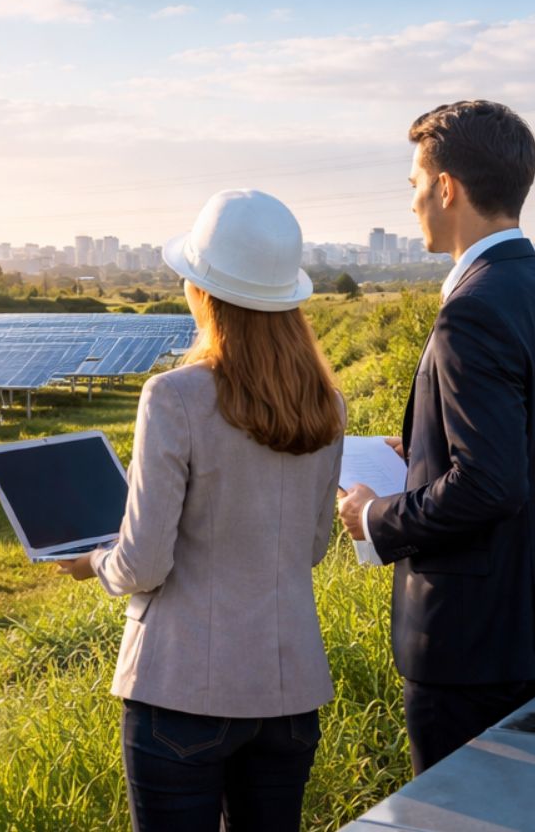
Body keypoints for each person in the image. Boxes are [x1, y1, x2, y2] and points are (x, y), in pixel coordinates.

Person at [56, 189, 345, 832]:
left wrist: (97, 562)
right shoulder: (327, 402)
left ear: (202, 292)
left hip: (183, 692)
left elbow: (145, 562)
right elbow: (313, 545)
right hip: (291, 693)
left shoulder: (174, 396)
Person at [336, 99, 535, 775]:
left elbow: (490, 483)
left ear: (447, 187)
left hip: (475, 647)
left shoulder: (473, 310)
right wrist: (425, 455)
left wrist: (374, 516)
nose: (414, 202)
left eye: (415, 186)